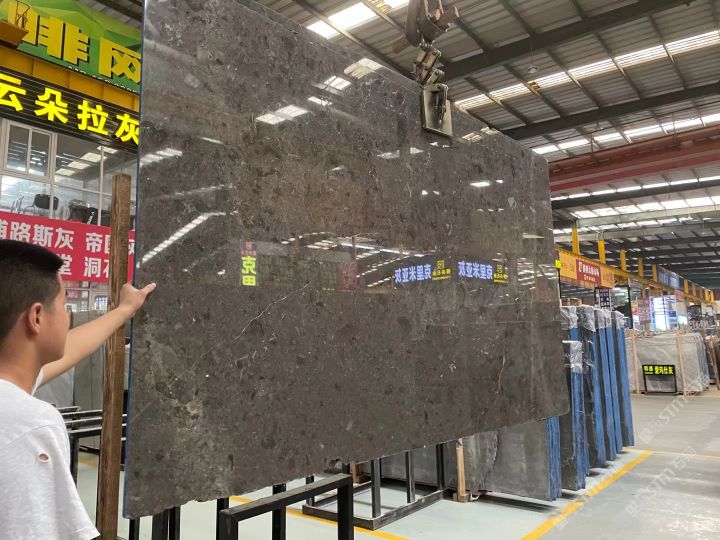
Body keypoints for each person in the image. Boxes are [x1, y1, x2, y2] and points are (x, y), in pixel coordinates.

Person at [0, 240, 155, 540]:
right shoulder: (29, 423)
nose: (67, 316)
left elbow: (72, 347)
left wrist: (124, 310)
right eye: (63, 304)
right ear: (36, 317)